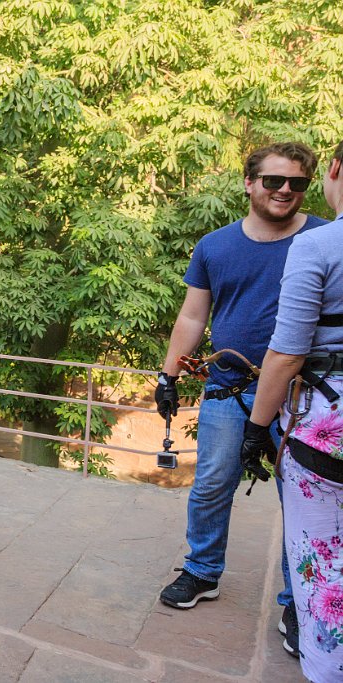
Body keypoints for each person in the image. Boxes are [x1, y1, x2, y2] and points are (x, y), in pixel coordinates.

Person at [154, 143, 325, 649]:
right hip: (231, 387)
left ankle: (299, 602)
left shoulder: (324, 240)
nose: (286, 191)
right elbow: (192, 316)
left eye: (297, 183)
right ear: (249, 184)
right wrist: (168, 376)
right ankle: (203, 571)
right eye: (274, 181)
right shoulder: (215, 245)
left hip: (305, 395)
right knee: (210, 484)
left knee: (305, 500)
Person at [241, 140, 343, 682]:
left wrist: (257, 430)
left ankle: (327, 667)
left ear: (332, 171)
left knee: (322, 561)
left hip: (328, 426)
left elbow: (287, 352)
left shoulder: (319, 246)